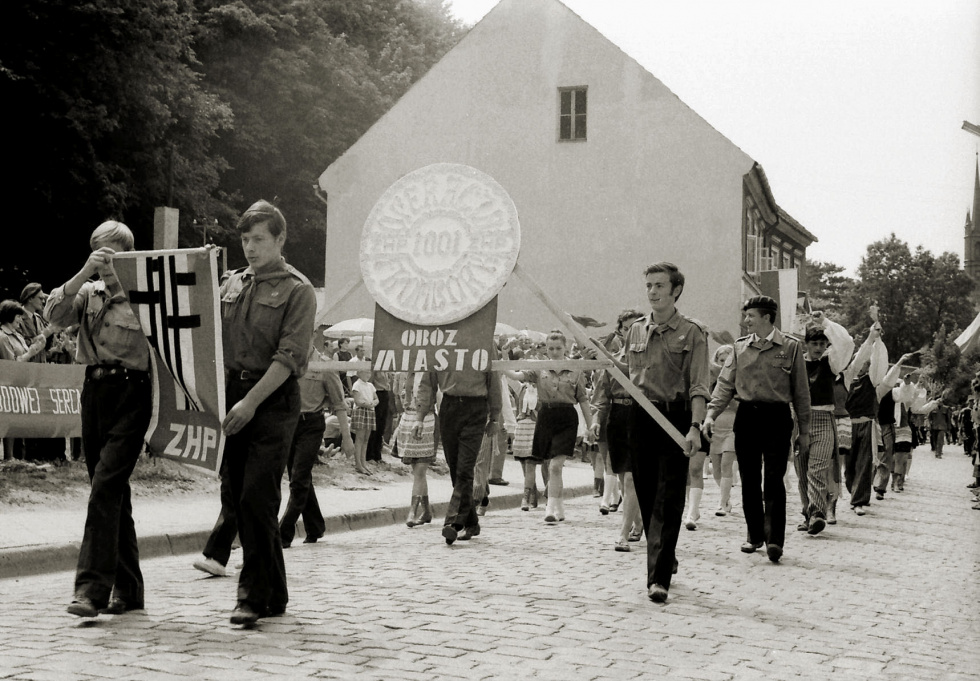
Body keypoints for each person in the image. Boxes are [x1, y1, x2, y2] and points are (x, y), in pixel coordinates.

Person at [201, 200, 316, 625]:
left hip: (272, 399)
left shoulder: (297, 290)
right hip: (233, 395)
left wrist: (251, 402)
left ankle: (249, 596)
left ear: (280, 239)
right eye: (245, 240)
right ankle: (276, 592)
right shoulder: (231, 284)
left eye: (259, 239)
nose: (250, 248)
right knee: (239, 497)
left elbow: (290, 356)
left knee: (257, 496)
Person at [45, 221, 153, 618]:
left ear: (126, 254)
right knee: (112, 491)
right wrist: (81, 274)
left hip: (132, 393)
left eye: (110, 254)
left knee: (105, 488)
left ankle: (91, 590)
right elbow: (54, 318)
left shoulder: (144, 297)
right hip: (94, 393)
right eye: (97, 252)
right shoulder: (88, 293)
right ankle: (130, 588)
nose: (104, 261)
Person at [623, 262, 709, 603]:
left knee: (668, 497)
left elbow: (699, 385)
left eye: (659, 286)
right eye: (649, 286)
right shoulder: (636, 331)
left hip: (675, 418)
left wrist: (694, 427)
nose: (653, 292)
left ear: (676, 290)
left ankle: (658, 579)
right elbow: (628, 372)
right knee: (645, 496)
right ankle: (664, 552)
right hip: (640, 417)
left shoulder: (692, 333)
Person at [704, 295, 810, 564]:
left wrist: (805, 430)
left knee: (774, 479)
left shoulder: (791, 347)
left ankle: (774, 539)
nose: (746, 320)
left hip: (777, 417)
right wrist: (710, 414)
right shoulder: (739, 348)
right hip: (747, 416)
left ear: (766, 317)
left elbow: (801, 391)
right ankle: (754, 535)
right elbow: (725, 385)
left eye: (750, 316)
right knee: (749, 479)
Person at [504, 329, 595, 524]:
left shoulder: (576, 369)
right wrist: (503, 358)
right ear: (546, 348)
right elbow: (516, 375)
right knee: (552, 466)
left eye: (558, 348)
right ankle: (558, 506)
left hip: (566, 418)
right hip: (546, 416)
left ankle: (551, 508)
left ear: (565, 348)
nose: (554, 352)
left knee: (555, 465)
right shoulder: (540, 367)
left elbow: (583, 400)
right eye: (551, 348)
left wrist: (590, 426)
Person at [414, 348, 502, 545]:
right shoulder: (441, 343)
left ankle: (453, 522)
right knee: (455, 469)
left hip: (476, 408)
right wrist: (419, 417)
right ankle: (471, 522)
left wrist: (495, 416)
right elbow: (428, 382)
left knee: (465, 468)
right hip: (449, 407)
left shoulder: (484, 342)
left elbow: (494, 380)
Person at [279, 348, 354, 548]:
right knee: (300, 479)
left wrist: (346, 438)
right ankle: (315, 526)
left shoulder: (325, 366)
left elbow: (339, 404)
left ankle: (283, 532)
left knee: (299, 477)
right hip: (288, 424)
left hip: (311, 424)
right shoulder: (287, 361)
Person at [796, 313, 854, 536]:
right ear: (806, 344)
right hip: (800, 421)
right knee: (802, 472)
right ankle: (807, 513)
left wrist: (826, 323)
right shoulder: (797, 362)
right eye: (815, 343)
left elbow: (847, 343)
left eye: (823, 343)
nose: (819, 347)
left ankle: (818, 513)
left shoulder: (831, 363)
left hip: (823, 420)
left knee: (817, 469)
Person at [593, 309, 646, 550]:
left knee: (633, 478)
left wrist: (605, 356)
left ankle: (624, 533)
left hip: (640, 415)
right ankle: (638, 521)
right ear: (621, 330)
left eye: (637, 327)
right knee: (624, 477)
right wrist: (596, 420)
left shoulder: (645, 357)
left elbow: (628, 371)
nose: (631, 332)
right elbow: (602, 393)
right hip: (617, 415)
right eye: (627, 328)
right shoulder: (611, 358)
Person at [872, 354, 915, 501]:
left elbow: (902, 395)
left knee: (886, 455)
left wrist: (906, 384)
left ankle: (880, 488)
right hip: (871, 425)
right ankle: (869, 483)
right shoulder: (869, 385)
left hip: (886, 426)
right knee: (871, 457)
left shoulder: (892, 390)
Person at [397, 372, 437, 527]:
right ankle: (426, 510)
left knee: (420, 470)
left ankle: (412, 511)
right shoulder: (408, 374)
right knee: (417, 472)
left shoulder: (432, 374)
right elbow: (401, 395)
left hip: (427, 420)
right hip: (408, 419)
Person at [706, 345, 738, 517]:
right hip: (715, 427)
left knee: (727, 464)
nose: (723, 365)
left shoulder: (737, 382)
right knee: (716, 469)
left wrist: (729, 397)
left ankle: (721, 503)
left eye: (727, 361)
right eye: (721, 361)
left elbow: (739, 406)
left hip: (732, 426)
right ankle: (726, 496)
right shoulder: (711, 383)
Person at [349, 369, 379, 475]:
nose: (368, 375)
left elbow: (377, 399)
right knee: (360, 438)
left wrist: (372, 404)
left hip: (370, 411)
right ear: (359, 373)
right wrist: (368, 404)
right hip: (361, 411)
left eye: (369, 373)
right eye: (365, 372)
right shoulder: (356, 385)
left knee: (366, 438)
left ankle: (363, 463)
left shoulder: (370, 385)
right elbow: (357, 401)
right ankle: (358, 464)